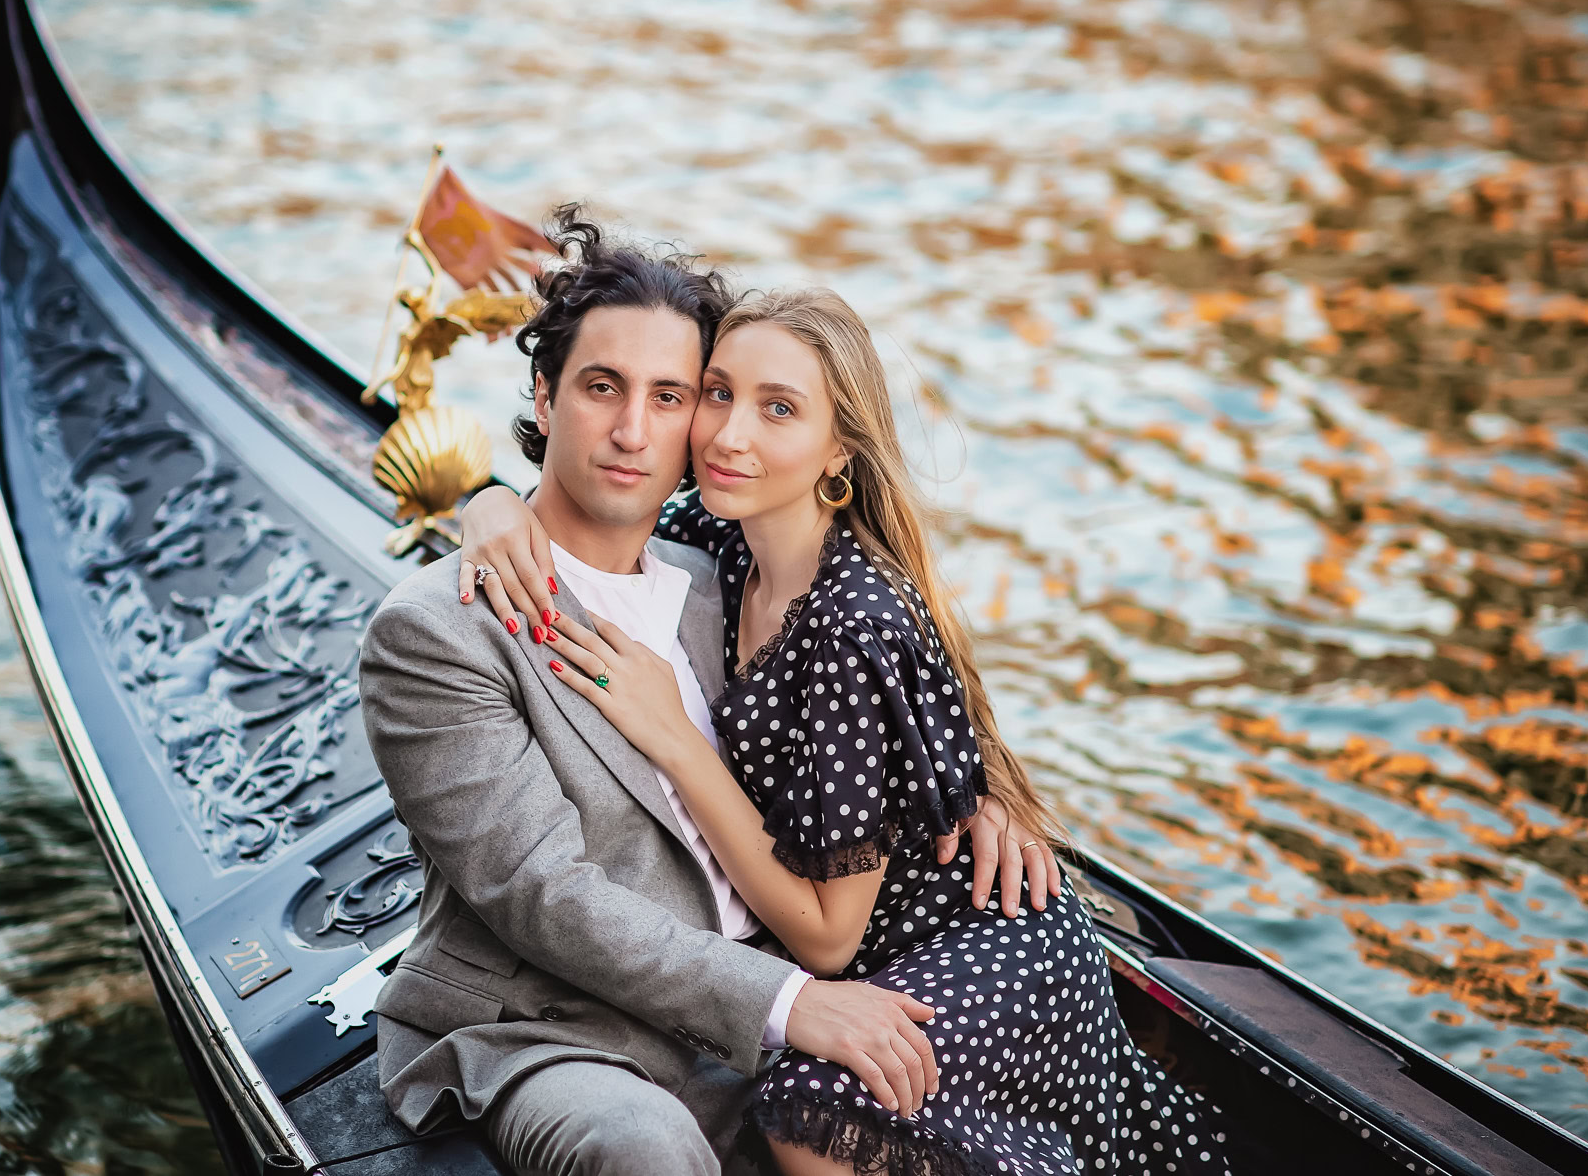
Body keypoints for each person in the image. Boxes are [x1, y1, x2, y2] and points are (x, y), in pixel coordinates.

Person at [457, 281, 1233, 1175]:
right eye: (718, 393)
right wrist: (487, 503)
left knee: (806, 1113)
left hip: (971, 939)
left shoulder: (848, 625)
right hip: (868, 940)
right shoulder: (719, 534)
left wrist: (673, 735)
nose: (726, 434)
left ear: (839, 453)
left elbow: (829, 939)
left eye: (777, 409)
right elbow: (584, 503)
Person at [357, 207, 1058, 1176]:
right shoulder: (437, 628)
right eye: (602, 387)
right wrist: (483, 503)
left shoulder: (722, 569)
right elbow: (543, 893)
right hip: (556, 1032)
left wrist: (973, 789)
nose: (634, 429)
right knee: (646, 1148)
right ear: (545, 392)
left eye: (673, 395)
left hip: (762, 1008)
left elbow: (861, 685)